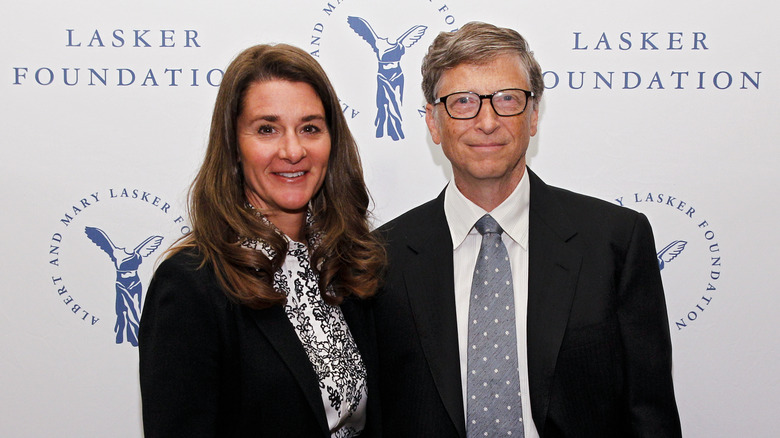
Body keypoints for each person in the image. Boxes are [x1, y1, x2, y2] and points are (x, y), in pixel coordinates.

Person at [373, 22, 682, 437]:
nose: (487, 121)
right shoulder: (381, 258)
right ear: (433, 121)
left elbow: (651, 415)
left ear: (533, 115)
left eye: (507, 99)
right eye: (463, 102)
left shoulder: (615, 241)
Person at [139, 43, 385, 438]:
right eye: (267, 129)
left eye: (310, 128)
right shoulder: (189, 285)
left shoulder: (348, 261)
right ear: (233, 145)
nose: (293, 150)